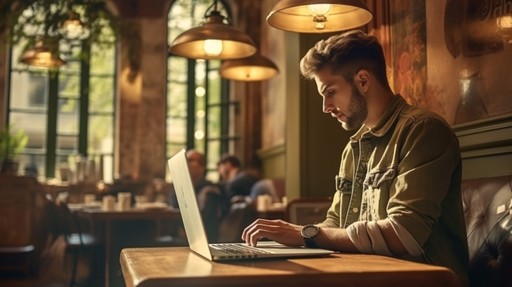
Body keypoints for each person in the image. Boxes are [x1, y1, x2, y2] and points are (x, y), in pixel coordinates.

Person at [241, 30, 469, 285]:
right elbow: (335, 222)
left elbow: (403, 234)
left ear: (362, 80)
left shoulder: (424, 130)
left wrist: (306, 234)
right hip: (365, 276)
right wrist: (287, 243)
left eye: (329, 92)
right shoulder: (354, 147)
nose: (325, 107)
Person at [169, 149, 227, 242]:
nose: (186, 164)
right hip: (181, 235)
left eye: (190, 160)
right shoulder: (182, 187)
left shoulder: (210, 191)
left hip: (200, 240)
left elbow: (205, 221)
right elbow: (173, 206)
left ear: (202, 167)